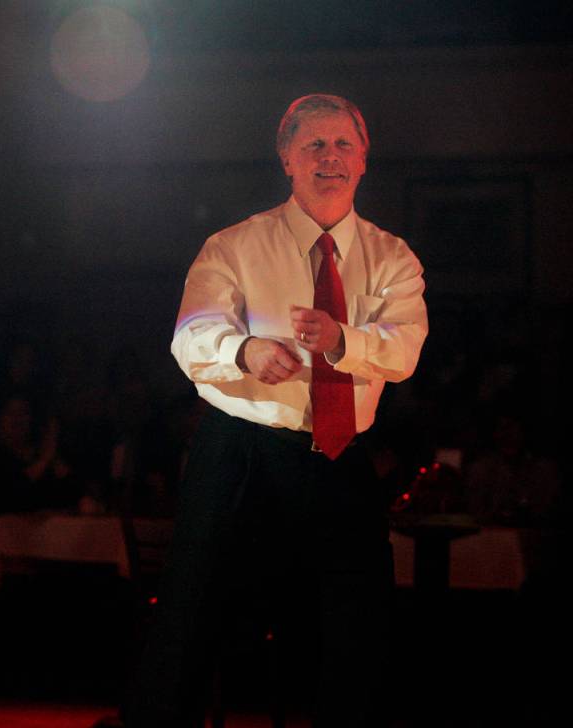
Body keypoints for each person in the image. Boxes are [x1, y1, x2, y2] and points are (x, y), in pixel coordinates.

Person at [123, 94, 428, 727]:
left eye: (343, 145)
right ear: (286, 159)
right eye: (314, 145)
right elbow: (189, 335)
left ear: (364, 161)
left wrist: (343, 341)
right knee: (192, 617)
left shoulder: (391, 257)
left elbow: (403, 351)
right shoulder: (235, 245)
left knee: (355, 627)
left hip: (341, 459)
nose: (330, 157)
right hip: (241, 451)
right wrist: (244, 349)